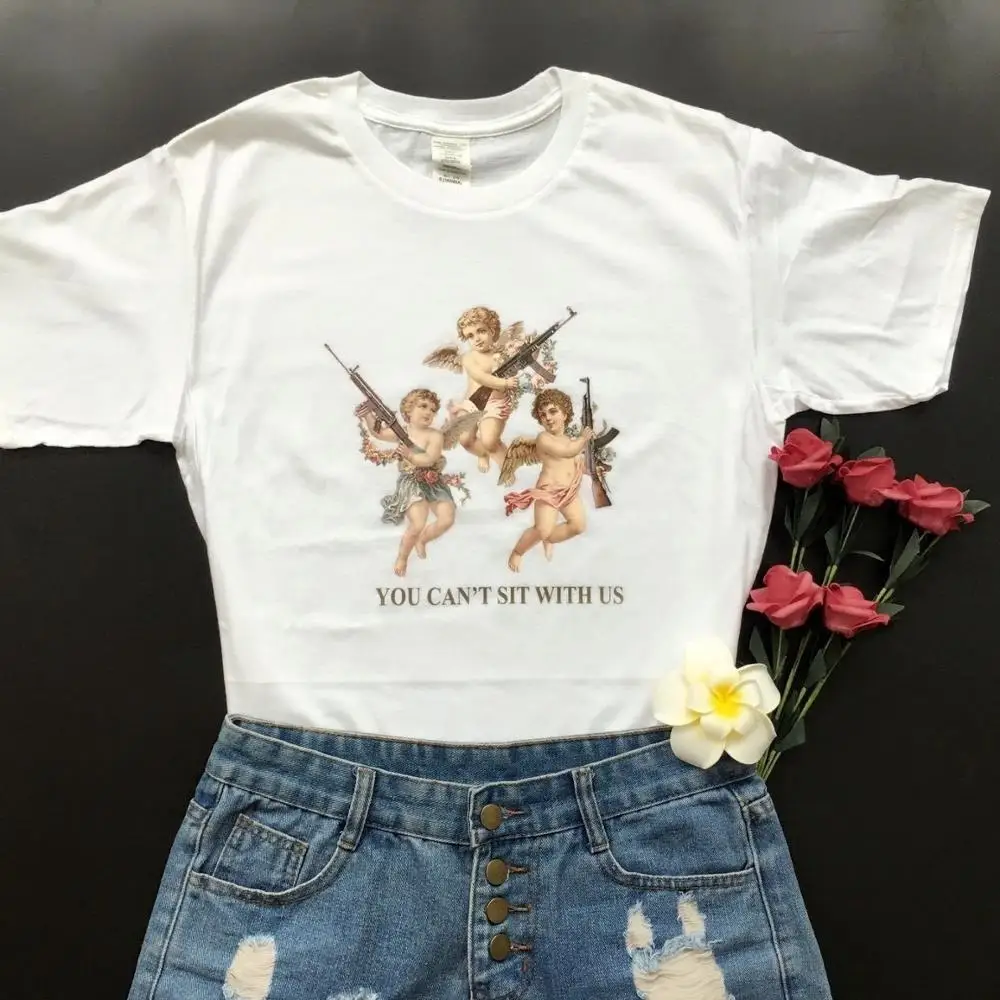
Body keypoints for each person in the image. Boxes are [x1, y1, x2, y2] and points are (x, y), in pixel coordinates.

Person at [359, 388, 471, 576]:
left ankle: (423, 540)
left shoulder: (435, 436)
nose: (429, 412)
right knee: (417, 524)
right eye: (423, 406)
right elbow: (378, 434)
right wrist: (368, 415)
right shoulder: (402, 431)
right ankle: (403, 557)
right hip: (411, 483)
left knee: (447, 519)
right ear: (408, 410)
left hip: (433, 482)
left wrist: (410, 455)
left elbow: (429, 459)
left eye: (433, 410)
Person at [499, 387, 594, 572]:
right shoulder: (543, 438)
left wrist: (591, 470)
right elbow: (567, 452)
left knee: (578, 526)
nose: (548, 418)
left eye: (553, 411)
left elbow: (575, 462)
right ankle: (518, 551)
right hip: (548, 492)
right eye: (543, 415)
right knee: (542, 529)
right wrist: (583, 439)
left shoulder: (569, 440)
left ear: (565, 414)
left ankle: (550, 539)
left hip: (569, 492)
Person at [422, 306, 523, 473]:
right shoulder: (469, 358)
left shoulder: (502, 354)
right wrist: (505, 384)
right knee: (465, 440)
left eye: (481, 331)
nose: (476, 338)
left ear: (492, 330)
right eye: (470, 336)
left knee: (490, 441)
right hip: (472, 403)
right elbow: (481, 377)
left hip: (495, 404)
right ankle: (482, 453)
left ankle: (508, 470)